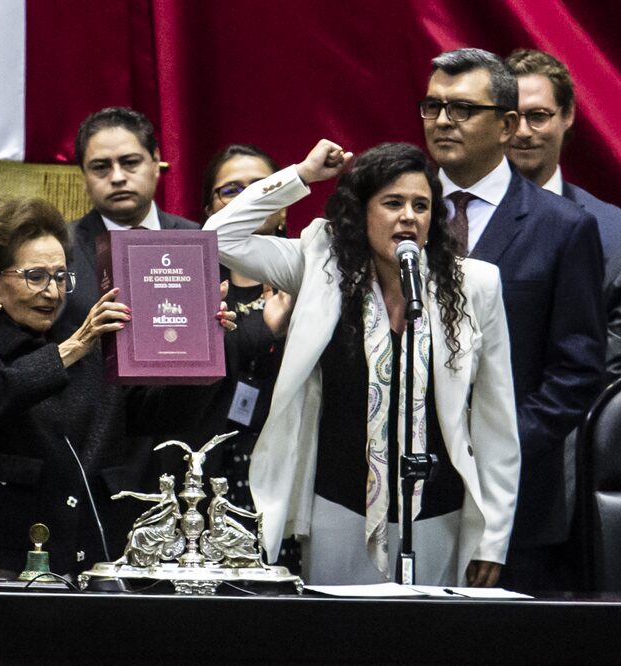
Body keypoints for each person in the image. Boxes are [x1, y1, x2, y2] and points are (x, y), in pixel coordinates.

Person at [204, 140, 520, 587]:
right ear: (362, 212)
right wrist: (302, 174)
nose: (408, 216)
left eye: (421, 205)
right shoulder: (320, 265)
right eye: (392, 203)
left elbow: (496, 420)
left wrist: (493, 538)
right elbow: (220, 236)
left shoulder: (476, 285)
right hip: (338, 506)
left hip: (439, 511)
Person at [0, 197, 234, 579]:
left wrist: (202, 343)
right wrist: (70, 351)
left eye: (61, 277)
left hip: (93, 556)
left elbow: (162, 415)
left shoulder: (89, 347)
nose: (53, 292)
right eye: (36, 276)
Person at [421, 48, 604, 591]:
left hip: (516, 499)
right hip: (399, 492)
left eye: (461, 108)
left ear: (505, 125)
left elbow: (575, 371)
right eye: (432, 106)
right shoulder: (401, 208)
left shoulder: (563, 227)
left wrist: (494, 447)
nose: (443, 121)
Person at [504, 48, 621, 380]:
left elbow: (608, 375)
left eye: (538, 115)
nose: (523, 131)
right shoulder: (457, 218)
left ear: (567, 115)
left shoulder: (614, 233)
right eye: (512, 117)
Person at [193, 144, 293, 514]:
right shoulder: (189, 284)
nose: (249, 198)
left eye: (263, 187)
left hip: (283, 467)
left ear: (283, 207)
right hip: (200, 466)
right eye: (232, 190)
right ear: (210, 211)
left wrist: (279, 335)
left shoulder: (311, 278)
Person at [55, 107, 198, 334]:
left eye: (130, 162)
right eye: (101, 167)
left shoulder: (198, 241)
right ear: (84, 175)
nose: (118, 177)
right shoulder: (60, 247)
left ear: (156, 162)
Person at [112, 474, 184, 567]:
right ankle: (127, 557)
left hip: (165, 529)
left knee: (138, 532)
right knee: (136, 532)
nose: (160, 487)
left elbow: (158, 516)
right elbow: (146, 497)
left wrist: (142, 522)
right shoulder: (165, 496)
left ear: (166, 486)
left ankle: (128, 557)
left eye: (161, 485)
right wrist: (128, 493)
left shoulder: (171, 501)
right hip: (160, 527)